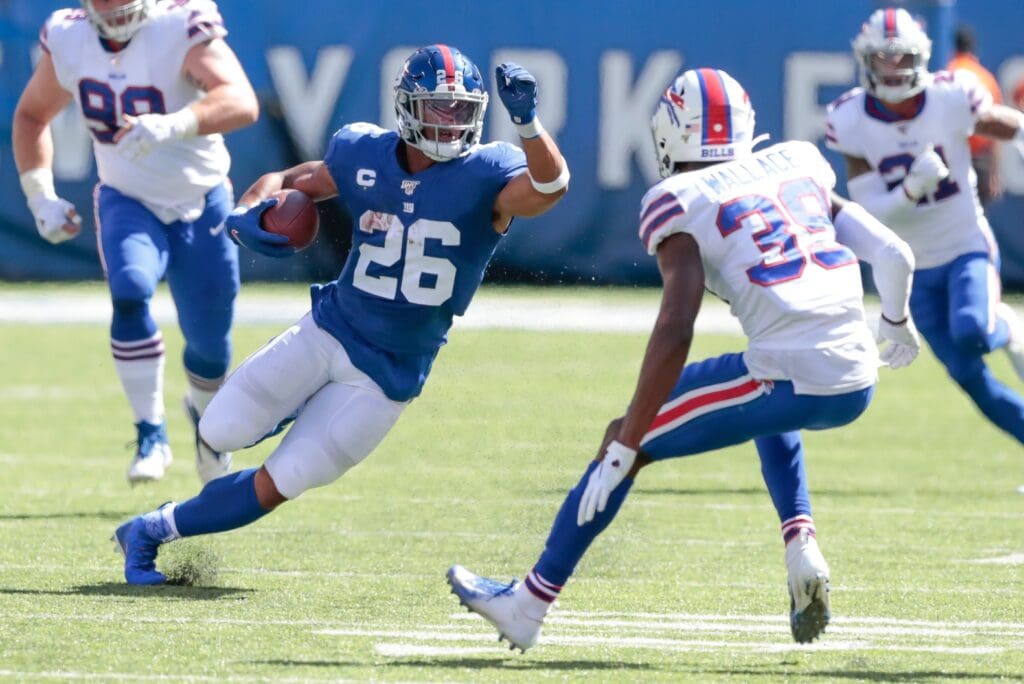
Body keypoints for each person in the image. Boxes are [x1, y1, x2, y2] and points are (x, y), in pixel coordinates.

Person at [447, 67, 919, 651]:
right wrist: (895, 322)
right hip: (856, 374)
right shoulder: (800, 162)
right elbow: (894, 254)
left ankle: (528, 605)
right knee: (760, 376)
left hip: (797, 374)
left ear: (671, 133)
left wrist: (627, 442)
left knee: (628, 436)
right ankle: (801, 546)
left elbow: (676, 326)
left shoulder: (679, 198)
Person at [111, 45, 570, 585]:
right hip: (329, 330)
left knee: (283, 480)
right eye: (439, 108)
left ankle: (149, 530)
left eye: (462, 110)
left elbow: (549, 188)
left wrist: (528, 123)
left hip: (390, 373)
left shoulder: (486, 173)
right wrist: (248, 212)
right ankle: (288, 406)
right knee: (220, 428)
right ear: (406, 108)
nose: (452, 123)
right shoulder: (363, 152)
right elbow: (288, 181)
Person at [12, 0, 258, 485]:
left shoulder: (180, 24)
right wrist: (40, 197)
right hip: (128, 197)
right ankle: (150, 431)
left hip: (201, 198)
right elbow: (31, 116)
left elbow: (242, 101)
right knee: (129, 292)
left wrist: (174, 123)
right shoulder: (68, 35)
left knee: (210, 345)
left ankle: (208, 427)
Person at [825, 7, 1024, 481]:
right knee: (972, 380)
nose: (892, 70)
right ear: (866, 61)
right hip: (910, 271)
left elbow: (1010, 125)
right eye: (882, 59)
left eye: (902, 59)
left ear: (921, 58)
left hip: (964, 246)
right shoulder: (850, 117)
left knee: (975, 330)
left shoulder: (951, 97)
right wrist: (912, 188)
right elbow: (870, 213)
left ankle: (1008, 326)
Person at [947, 25, 1003, 207]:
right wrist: (995, 172)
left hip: (950, 159)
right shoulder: (985, 78)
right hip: (980, 160)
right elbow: (997, 128)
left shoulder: (946, 73)